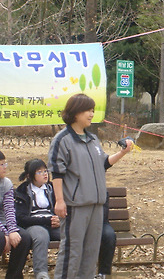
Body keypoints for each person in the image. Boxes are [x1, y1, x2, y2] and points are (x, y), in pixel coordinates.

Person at [47, 93, 133, 279]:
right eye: (88, 110)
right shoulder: (62, 140)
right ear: (75, 112)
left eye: (93, 110)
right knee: (72, 251)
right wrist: (60, 201)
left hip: (97, 205)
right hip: (75, 206)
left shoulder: (93, 139)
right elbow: (57, 172)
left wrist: (122, 153)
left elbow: (103, 163)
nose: (91, 114)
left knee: (91, 251)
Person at [15, 159, 60, 279]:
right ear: (30, 176)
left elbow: (61, 207)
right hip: (33, 225)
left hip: (53, 223)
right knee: (41, 235)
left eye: (46, 171)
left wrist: (59, 219)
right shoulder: (22, 191)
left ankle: (69, 269)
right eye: (40, 172)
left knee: (70, 233)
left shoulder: (52, 188)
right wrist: (45, 221)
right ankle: (41, 273)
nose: (45, 174)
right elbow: (21, 218)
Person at [0, 151, 31, 279]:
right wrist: (4, 233)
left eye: (5, 163)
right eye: (2, 164)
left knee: (23, 238)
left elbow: (9, 209)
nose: (5, 167)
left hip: (5, 223)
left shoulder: (6, 183)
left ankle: (13, 276)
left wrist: (12, 230)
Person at [95, 193, 117, 279]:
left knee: (109, 236)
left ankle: (103, 273)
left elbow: (103, 213)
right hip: (84, 223)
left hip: (101, 223)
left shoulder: (102, 191)